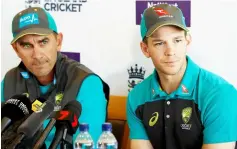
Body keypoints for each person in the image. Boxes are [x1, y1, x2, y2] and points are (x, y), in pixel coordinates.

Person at [126, 4, 237, 149]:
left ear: (187, 41)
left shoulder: (220, 94)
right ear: (146, 49)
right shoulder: (137, 97)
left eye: (177, 40)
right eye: (160, 43)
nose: (170, 51)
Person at [1, 7, 109, 148]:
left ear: (58, 41)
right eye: (27, 45)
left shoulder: (86, 83)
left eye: (43, 42)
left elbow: (89, 145)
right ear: (16, 49)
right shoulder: (9, 80)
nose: (37, 55)